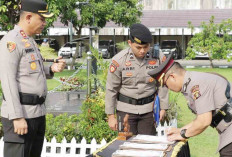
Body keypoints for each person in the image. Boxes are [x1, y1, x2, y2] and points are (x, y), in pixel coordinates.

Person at [0, 0, 66, 157]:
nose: (44, 23)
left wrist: (51, 69)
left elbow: (31, 70)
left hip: (36, 114)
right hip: (21, 114)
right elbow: (8, 81)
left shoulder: (29, 41)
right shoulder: (11, 42)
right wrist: (17, 117)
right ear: (28, 17)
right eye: (42, 19)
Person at [148, 53, 232, 156]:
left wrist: (183, 134)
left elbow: (204, 121)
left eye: (165, 84)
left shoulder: (196, 85)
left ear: (172, 77)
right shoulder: (191, 82)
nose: (167, 88)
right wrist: (180, 131)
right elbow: (200, 118)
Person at [105, 23, 169, 135]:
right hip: (125, 111)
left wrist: (163, 107)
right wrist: (110, 116)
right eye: (138, 47)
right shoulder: (119, 60)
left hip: (149, 110)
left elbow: (162, 83)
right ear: (130, 43)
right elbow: (111, 89)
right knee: (126, 146)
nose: (142, 51)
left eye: (146, 47)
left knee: (147, 145)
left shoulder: (158, 57)